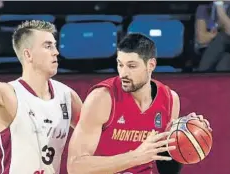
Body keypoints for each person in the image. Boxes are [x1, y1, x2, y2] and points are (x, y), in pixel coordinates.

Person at [0, 2, 82, 174]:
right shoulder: (7, 94)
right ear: (28, 54)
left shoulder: (67, 95)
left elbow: (98, 133)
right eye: (48, 46)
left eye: (54, 45)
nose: (56, 52)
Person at [67, 33, 211, 174]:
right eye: (120, 65)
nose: (123, 73)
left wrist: (183, 135)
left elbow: (167, 168)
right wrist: (135, 157)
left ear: (151, 65)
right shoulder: (103, 98)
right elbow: (75, 166)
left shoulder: (170, 100)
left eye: (131, 66)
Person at [195, 1, 230, 72]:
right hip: (208, 48)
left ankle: (202, 72)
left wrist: (220, 11)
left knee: (222, 38)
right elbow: (201, 39)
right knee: (222, 38)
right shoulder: (203, 7)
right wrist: (219, 31)